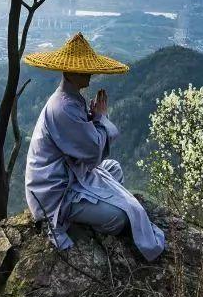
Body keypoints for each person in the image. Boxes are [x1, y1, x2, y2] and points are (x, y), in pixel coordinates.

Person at [24, 32, 165, 261]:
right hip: (57, 192)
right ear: (70, 71)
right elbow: (91, 152)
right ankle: (76, 219)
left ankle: (93, 208)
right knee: (120, 218)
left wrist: (91, 118)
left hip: (71, 176)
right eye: (85, 69)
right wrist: (99, 118)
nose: (90, 73)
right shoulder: (63, 107)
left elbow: (85, 146)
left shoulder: (70, 100)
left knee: (114, 168)